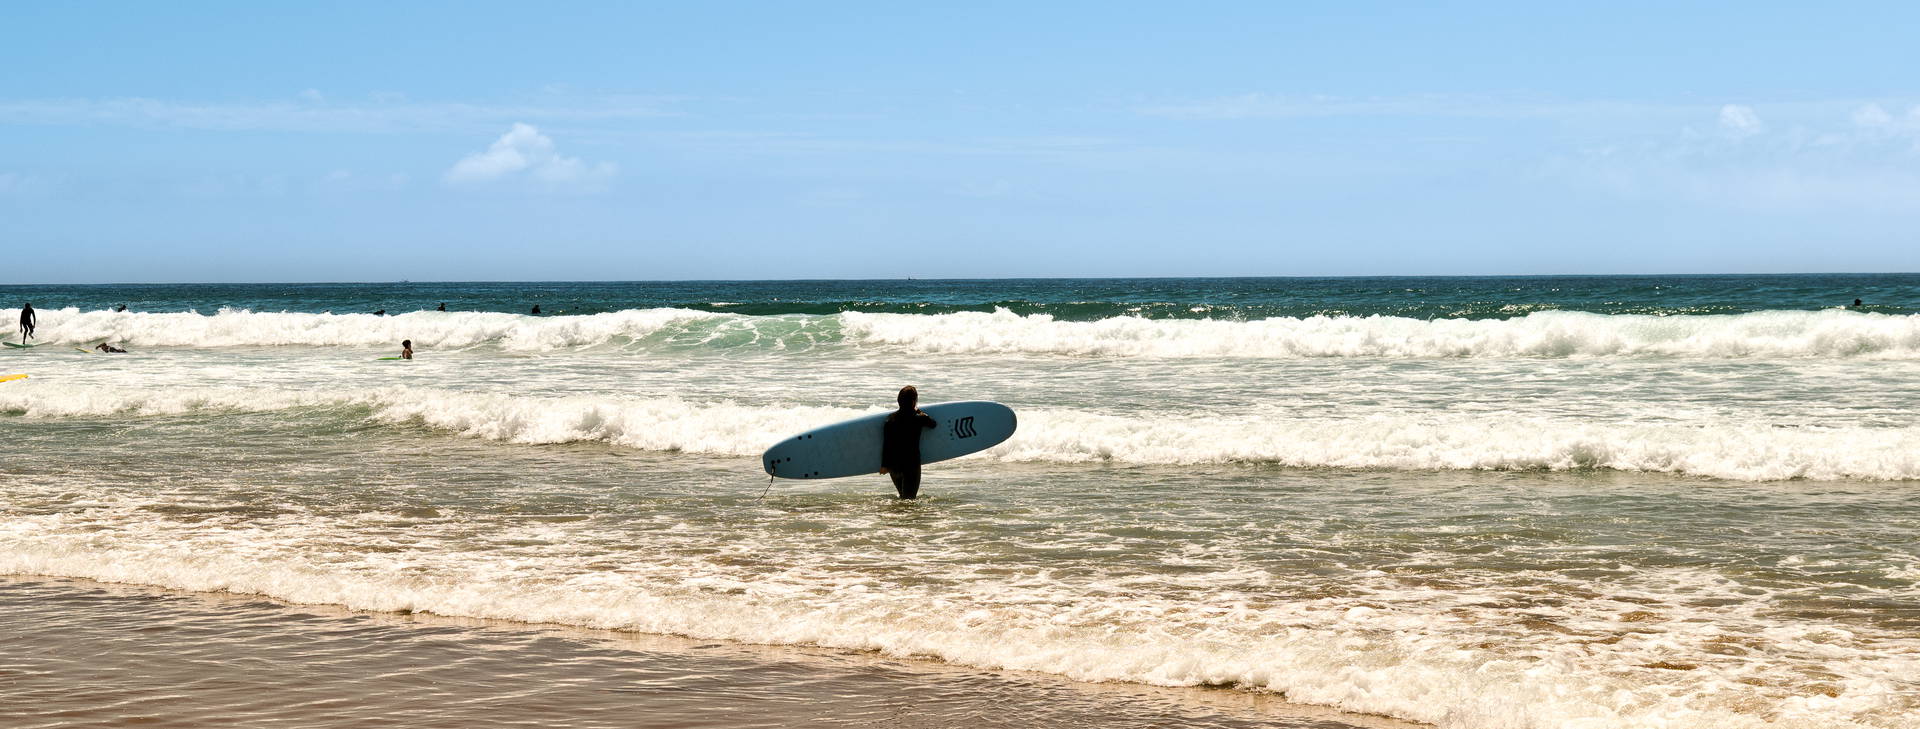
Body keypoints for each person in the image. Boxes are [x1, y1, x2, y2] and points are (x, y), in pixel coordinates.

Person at [878, 385, 937, 499]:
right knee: (909, 500)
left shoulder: (890, 419)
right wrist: (919, 411)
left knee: (903, 498)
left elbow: (887, 444)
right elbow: (933, 424)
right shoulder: (919, 418)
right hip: (911, 464)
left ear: (899, 400)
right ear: (914, 401)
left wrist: (884, 465)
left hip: (894, 465)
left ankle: (896, 511)